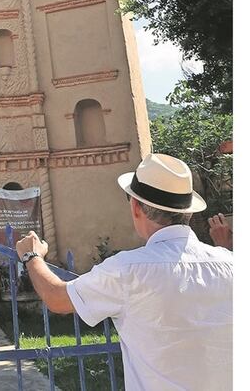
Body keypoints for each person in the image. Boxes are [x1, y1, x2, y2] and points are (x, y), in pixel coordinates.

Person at [15, 153, 233, 390]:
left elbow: (57, 298)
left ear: (136, 207)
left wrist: (31, 256)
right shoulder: (231, 264)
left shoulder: (129, 271)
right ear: (188, 211)